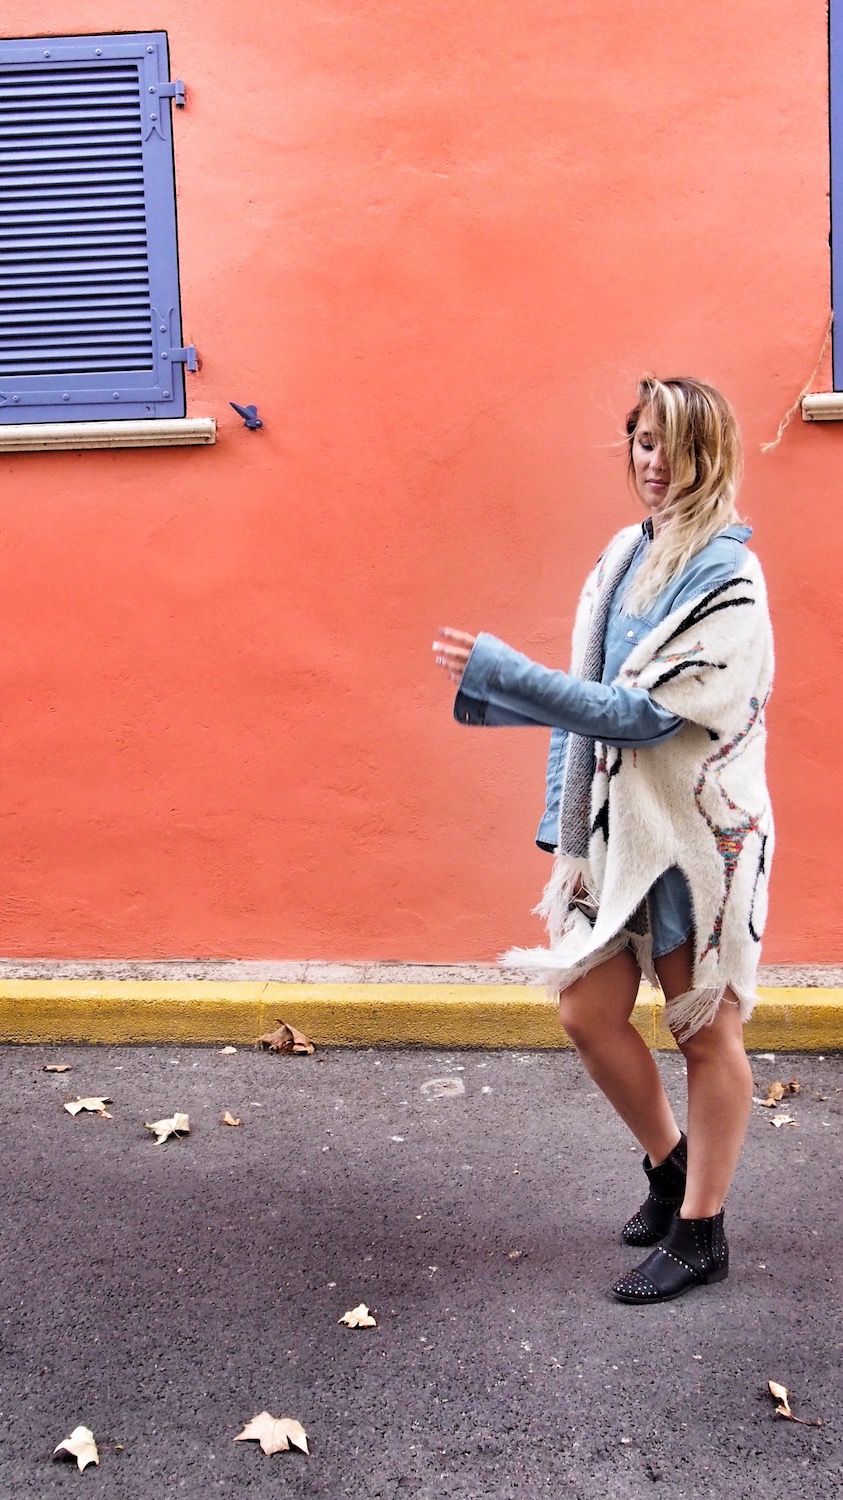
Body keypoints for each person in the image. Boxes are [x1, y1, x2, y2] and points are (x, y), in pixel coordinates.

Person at [432, 375, 774, 1305]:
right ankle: (671, 1168)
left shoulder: (728, 580)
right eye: (641, 440)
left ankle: (700, 1232)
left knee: (704, 1031)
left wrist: (505, 673)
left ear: (711, 455)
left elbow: (640, 716)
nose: (653, 462)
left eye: (674, 445)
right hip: (612, 832)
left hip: (694, 838)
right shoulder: (625, 552)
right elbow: (585, 710)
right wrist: (560, 824)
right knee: (586, 1012)